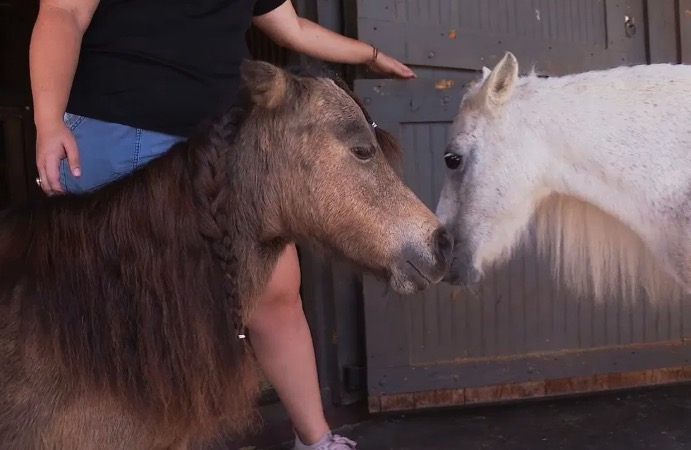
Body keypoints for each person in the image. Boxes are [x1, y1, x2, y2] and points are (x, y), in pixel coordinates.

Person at [29, 0, 416, 449]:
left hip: (220, 145)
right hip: (120, 132)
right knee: (132, 312)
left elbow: (292, 27)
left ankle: (316, 440)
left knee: (276, 291)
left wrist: (370, 55)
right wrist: (47, 119)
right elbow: (63, 13)